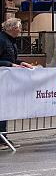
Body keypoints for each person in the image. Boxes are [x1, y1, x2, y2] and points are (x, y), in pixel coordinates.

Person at [0, 18, 33, 150]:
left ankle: (3, 137)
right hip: (2, 79)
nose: (21, 30)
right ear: (12, 28)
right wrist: (11, 65)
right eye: (19, 27)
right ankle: (1, 138)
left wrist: (20, 62)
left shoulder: (10, 40)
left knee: (5, 109)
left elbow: (10, 58)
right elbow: (5, 60)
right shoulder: (2, 40)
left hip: (7, 81)